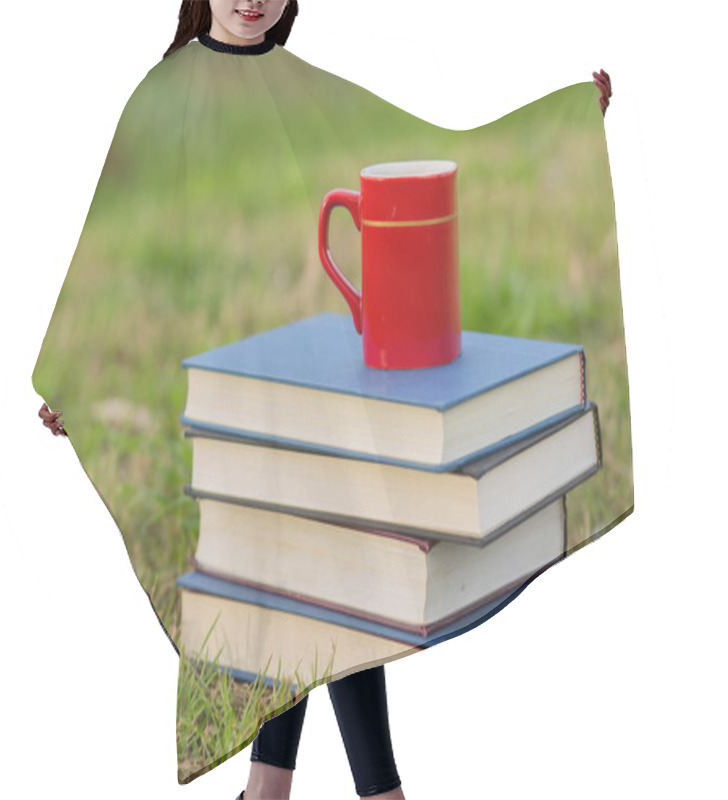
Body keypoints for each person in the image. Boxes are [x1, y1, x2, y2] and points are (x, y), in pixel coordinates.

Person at [38, 2, 614, 798]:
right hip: (231, 384)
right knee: (321, 572)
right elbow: (101, 240)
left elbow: (423, 148)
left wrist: (569, 113)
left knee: (329, 566)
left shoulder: (302, 84)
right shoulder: (163, 92)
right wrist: (73, 366)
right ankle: (362, 790)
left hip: (315, 377)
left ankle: (276, 787)